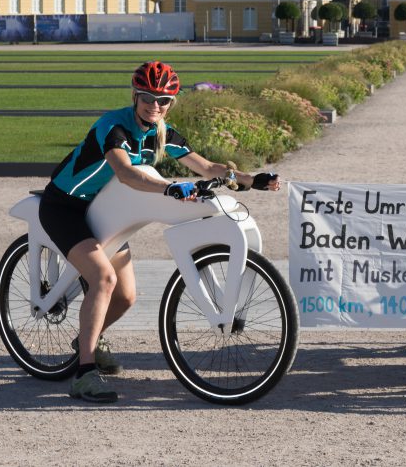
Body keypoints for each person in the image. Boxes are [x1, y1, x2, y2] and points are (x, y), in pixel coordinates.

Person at [39, 61, 280, 403]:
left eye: (164, 101)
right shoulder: (114, 126)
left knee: (125, 298)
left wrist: (250, 179)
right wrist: (168, 188)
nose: (155, 106)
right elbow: (125, 174)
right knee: (103, 280)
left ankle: (84, 341)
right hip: (65, 207)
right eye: (148, 98)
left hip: (102, 209)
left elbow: (207, 166)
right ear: (135, 96)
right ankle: (84, 374)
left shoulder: (162, 130)